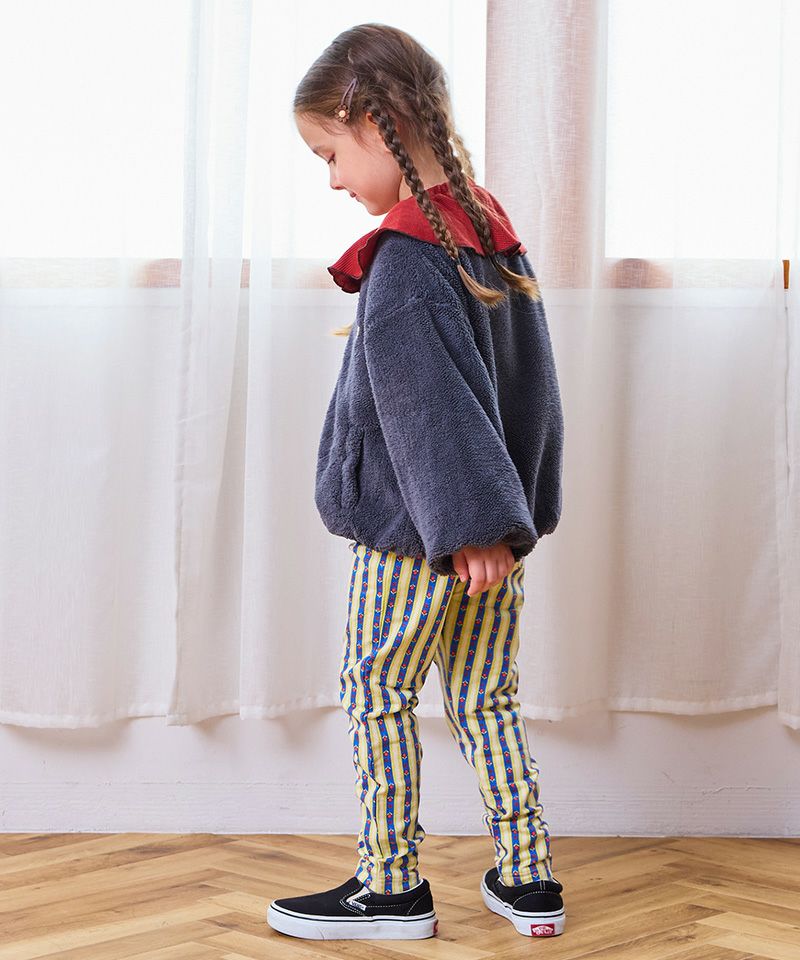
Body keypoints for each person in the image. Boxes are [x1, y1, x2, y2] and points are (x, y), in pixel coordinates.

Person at [266, 22, 566, 943]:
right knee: (485, 697)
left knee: (377, 692)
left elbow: (433, 405)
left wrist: (468, 524)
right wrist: (506, 521)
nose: (332, 180)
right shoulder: (486, 230)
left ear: (373, 120)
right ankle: (529, 878)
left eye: (330, 154)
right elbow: (529, 390)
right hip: (488, 533)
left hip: (416, 533)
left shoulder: (406, 257)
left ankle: (390, 885)